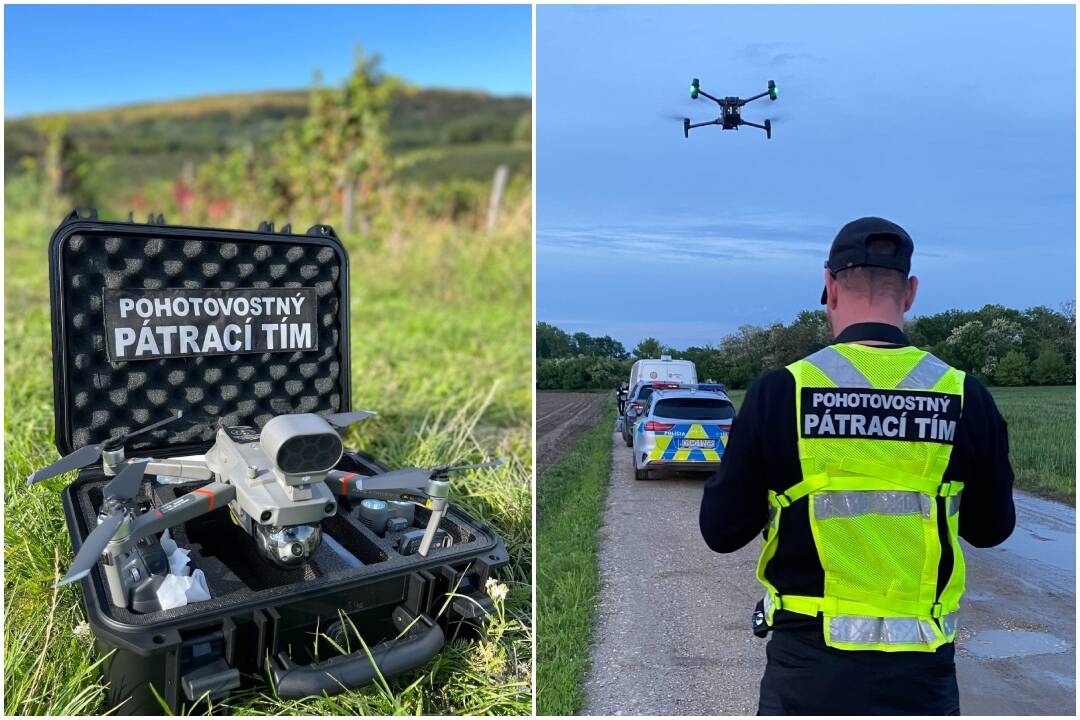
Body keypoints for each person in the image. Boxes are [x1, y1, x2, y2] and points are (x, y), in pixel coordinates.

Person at [699, 217, 1015, 715]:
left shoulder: (781, 392)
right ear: (909, 293)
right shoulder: (964, 396)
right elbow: (992, 529)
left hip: (807, 674)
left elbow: (720, 531)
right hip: (922, 681)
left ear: (829, 287)